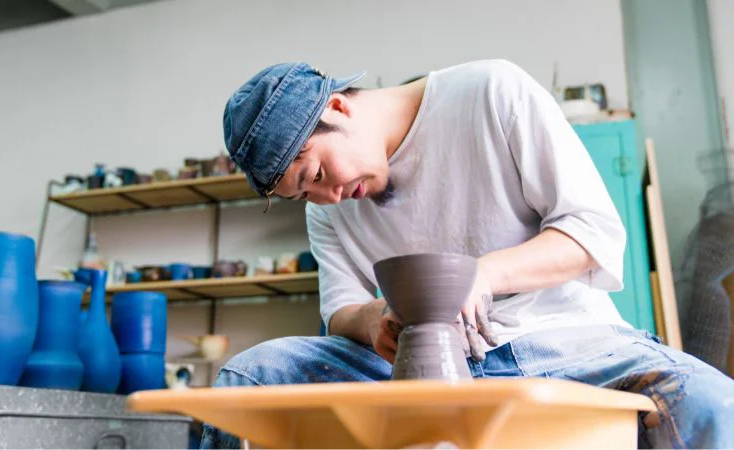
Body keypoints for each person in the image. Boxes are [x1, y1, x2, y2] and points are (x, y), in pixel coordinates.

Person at [203, 60, 734, 449]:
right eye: (304, 194)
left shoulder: (491, 93)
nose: (327, 198)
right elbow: (339, 308)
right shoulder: (329, 206)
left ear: (337, 107)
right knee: (248, 378)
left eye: (317, 174)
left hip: (558, 344)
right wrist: (372, 320)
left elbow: (594, 231)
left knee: (710, 402)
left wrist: (486, 273)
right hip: (412, 368)